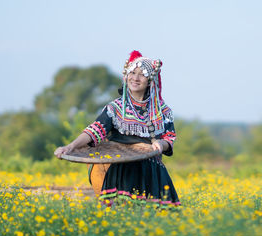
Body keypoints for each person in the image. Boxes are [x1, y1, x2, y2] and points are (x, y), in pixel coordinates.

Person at [54, 50, 180, 207]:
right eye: (132, 73)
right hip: (121, 172)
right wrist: (70, 146)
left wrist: (161, 144)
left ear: (150, 80)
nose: (135, 78)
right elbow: (94, 130)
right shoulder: (115, 108)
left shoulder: (163, 111)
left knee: (157, 222)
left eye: (142, 74)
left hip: (152, 173)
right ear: (126, 76)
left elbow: (169, 138)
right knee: (120, 216)